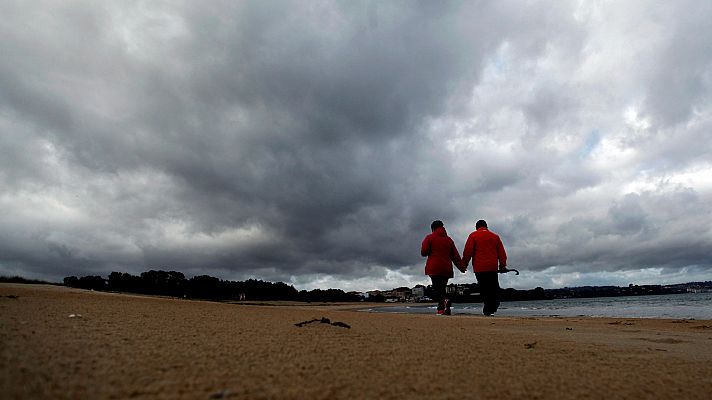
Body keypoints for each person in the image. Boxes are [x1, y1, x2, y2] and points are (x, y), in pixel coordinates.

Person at [461, 219, 507, 316]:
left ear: (477, 227)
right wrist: (502, 266)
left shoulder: (473, 235)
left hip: (479, 268)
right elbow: (502, 253)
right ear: (486, 226)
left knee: (484, 288)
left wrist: (464, 265)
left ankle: (488, 308)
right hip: (492, 267)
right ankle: (492, 306)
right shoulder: (495, 237)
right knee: (493, 287)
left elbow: (468, 252)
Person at [421, 220, 464, 315]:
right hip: (446, 268)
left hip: (434, 267)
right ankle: (442, 308)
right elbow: (455, 256)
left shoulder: (429, 238)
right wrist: (461, 267)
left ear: (433, 228)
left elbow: (424, 252)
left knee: (437, 288)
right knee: (442, 288)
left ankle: (443, 305)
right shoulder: (449, 240)